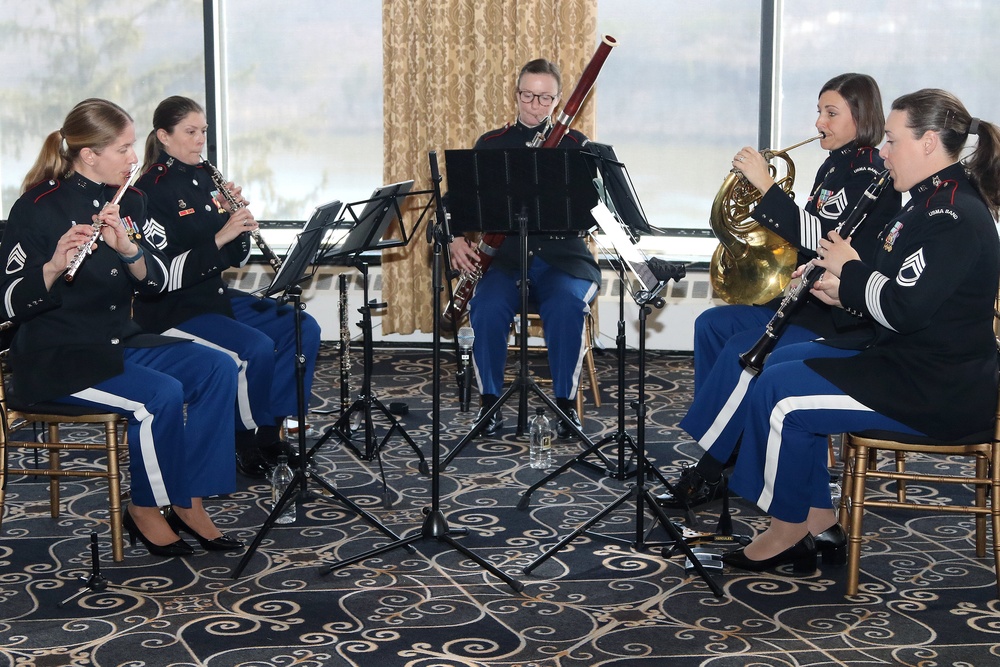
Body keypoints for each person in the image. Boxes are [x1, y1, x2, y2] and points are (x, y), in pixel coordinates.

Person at [723, 89, 1000, 573]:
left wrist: (849, 273)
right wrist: (838, 290)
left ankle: (786, 529)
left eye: (893, 142)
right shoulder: (927, 200)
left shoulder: (952, 215)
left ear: (930, 143)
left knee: (782, 394)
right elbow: (895, 291)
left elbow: (905, 308)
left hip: (933, 387)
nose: (885, 152)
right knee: (782, 362)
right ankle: (814, 516)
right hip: (902, 359)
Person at [1, 98, 243, 557]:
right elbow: (6, 300)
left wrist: (130, 251)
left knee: (215, 368)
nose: (136, 158)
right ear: (89, 154)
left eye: (133, 147)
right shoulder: (38, 208)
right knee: (161, 396)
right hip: (60, 355)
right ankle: (147, 508)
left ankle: (188, 497)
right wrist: (52, 268)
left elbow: (155, 282)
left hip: (119, 338)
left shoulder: (131, 200)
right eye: (124, 149)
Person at [657, 73, 901, 512]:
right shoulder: (834, 164)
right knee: (712, 324)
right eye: (819, 111)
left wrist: (767, 187)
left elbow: (825, 236)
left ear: (861, 117)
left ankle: (710, 468)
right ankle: (734, 445)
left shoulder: (868, 169)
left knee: (742, 350)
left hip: (838, 315)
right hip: (809, 296)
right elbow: (812, 242)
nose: (818, 123)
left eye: (831, 113)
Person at [134, 96, 322, 479]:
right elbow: (163, 270)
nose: (200, 139)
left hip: (211, 296)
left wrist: (235, 220)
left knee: (301, 327)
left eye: (203, 131)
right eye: (190, 132)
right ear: (163, 136)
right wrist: (221, 235)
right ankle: (247, 440)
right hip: (174, 307)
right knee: (253, 347)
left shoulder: (204, 176)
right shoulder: (150, 190)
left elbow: (235, 254)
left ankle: (271, 427)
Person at [448, 58, 600, 439]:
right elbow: (456, 202)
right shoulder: (491, 144)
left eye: (545, 98)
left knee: (566, 305)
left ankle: (565, 404)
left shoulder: (576, 145)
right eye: (528, 96)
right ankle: (490, 402)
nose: (535, 105)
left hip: (563, 259)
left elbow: (595, 211)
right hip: (506, 260)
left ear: (559, 99)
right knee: (485, 306)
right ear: (516, 95)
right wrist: (453, 238)